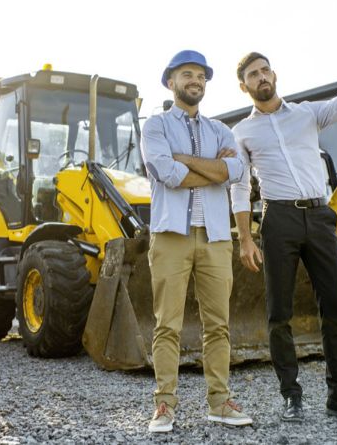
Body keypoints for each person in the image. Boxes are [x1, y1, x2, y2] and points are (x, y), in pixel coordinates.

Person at [231, 28, 337, 423]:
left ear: (275, 75)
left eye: (265, 70)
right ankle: (291, 395)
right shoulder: (242, 132)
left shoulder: (308, 113)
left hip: (320, 216)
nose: (262, 77)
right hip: (278, 220)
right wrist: (245, 239)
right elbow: (239, 189)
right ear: (244, 86)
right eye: (253, 74)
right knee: (278, 313)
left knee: (335, 306)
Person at [141, 50, 252, 433]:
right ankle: (164, 406)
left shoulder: (221, 131)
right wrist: (213, 170)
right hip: (171, 236)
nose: (195, 81)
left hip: (217, 238)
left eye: (201, 76)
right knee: (167, 325)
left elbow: (236, 171)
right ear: (171, 81)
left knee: (218, 325)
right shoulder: (154, 127)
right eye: (187, 74)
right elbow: (166, 174)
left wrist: (185, 159)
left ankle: (220, 402)